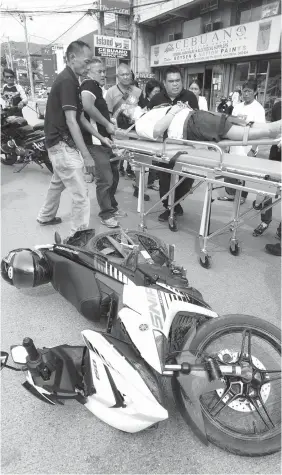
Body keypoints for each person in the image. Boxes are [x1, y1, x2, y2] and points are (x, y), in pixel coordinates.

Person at [37, 40, 107, 238]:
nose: (88, 65)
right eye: (86, 61)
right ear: (72, 58)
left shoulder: (71, 79)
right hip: (61, 145)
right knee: (82, 196)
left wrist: (102, 136)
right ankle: (79, 240)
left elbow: (81, 117)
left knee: (57, 183)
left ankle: (45, 216)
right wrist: (86, 156)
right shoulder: (68, 81)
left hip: (57, 143)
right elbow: (71, 121)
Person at [146, 66, 198, 227]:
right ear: (165, 83)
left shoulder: (190, 97)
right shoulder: (156, 100)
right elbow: (150, 124)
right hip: (164, 149)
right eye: (171, 81)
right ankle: (169, 209)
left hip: (185, 149)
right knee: (165, 182)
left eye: (178, 81)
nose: (175, 84)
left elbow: (196, 121)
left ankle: (175, 203)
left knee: (186, 181)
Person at [81, 58, 127, 228]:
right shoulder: (89, 84)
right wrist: (107, 124)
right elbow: (86, 105)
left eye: (103, 71)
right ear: (88, 72)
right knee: (105, 178)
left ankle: (111, 207)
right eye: (99, 71)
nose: (103, 74)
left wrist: (109, 122)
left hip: (105, 140)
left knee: (114, 175)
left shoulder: (97, 88)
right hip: (95, 142)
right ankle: (105, 214)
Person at [106, 63, 150, 200]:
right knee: (114, 162)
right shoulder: (111, 92)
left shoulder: (137, 91)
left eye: (128, 74)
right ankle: (110, 190)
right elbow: (107, 113)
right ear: (118, 77)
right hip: (118, 134)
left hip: (134, 133)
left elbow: (144, 110)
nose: (126, 77)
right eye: (123, 74)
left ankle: (139, 188)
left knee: (139, 163)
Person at [218, 79, 266, 204]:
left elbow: (261, 132)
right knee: (229, 169)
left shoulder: (258, 109)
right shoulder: (237, 107)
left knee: (243, 172)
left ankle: (242, 197)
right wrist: (227, 144)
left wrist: (254, 149)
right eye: (244, 91)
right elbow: (230, 125)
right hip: (234, 144)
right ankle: (230, 194)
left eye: (249, 91)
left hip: (247, 146)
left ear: (255, 92)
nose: (246, 94)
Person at [253, 99, 281, 238]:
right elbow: (272, 129)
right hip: (276, 154)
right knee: (268, 188)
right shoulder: (277, 106)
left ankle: (281, 231)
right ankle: (265, 220)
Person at [139, 79, 163, 190]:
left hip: (157, 135)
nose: (157, 94)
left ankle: (151, 181)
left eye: (159, 92)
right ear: (149, 92)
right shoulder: (143, 104)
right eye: (155, 92)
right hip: (146, 136)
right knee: (148, 161)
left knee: (156, 160)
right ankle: (141, 186)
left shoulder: (160, 103)